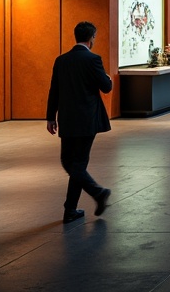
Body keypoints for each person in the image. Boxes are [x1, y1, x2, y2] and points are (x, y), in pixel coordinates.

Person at [45, 20, 112, 224]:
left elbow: (54, 90)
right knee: (78, 163)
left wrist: (50, 116)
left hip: (67, 119)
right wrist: (109, 78)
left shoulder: (61, 60)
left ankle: (70, 210)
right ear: (91, 38)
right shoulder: (93, 59)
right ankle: (98, 193)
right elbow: (106, 87)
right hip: (87, 119)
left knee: (69, 162)